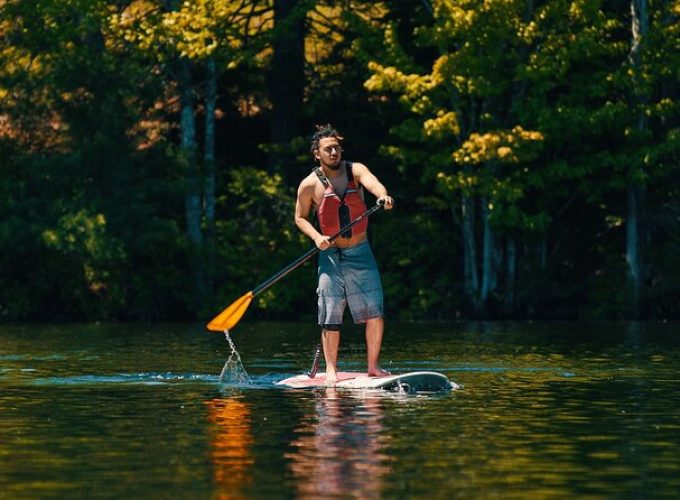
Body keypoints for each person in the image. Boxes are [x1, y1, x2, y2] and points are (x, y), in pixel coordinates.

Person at [295, 124, 394, 385]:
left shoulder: (355, 170)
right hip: (331, 257)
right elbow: (300, 218)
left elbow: (375, 185)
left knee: (375, 311)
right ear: (317, 153)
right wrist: (316, 237)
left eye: (337, 147)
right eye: (328, 149)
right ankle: (330, 371)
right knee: (330, 314)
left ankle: (373, 367)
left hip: (361, 252)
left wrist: (383, 196)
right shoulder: (308, 185)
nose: (334, 151)